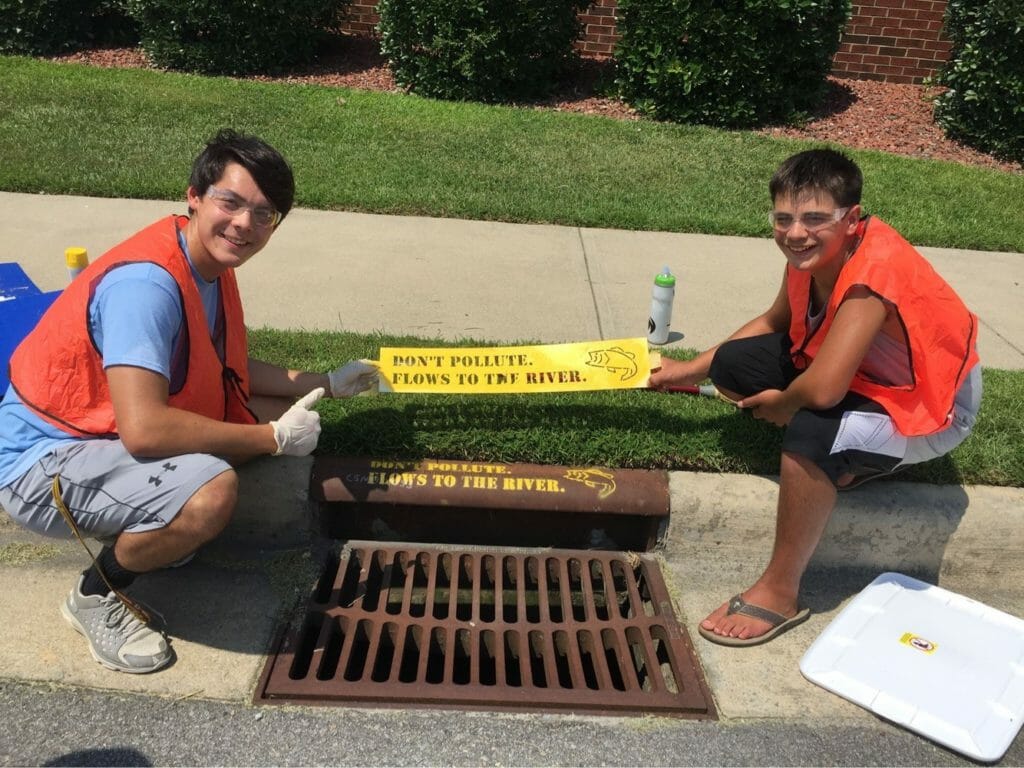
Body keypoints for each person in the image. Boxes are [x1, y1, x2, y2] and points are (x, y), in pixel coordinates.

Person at [0, 129, 378, 673]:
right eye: (231, 202)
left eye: (265, 213)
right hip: (38, 460)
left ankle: (152, 523)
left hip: (94, 428)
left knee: (268, 416)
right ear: (194, 197)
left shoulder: (202, 261)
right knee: (210, 494)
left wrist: (322, 380)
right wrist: (270, 438)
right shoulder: (148, 287)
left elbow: (218, 367)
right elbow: (146, 431)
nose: (245, 223)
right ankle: (97, 593)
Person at [649, 148, 981, 647]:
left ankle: (780, 592)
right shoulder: (810, 256)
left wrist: (784, 404)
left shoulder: (875, 271)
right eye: (783, 218)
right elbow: (773, 322)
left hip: (929, 409)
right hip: (862, 377)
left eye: (814, 219)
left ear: (852, 219)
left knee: (813, 426)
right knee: (733, 364)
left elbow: (824, 390)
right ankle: (840, 456)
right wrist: (687, 368)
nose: (795, 232)